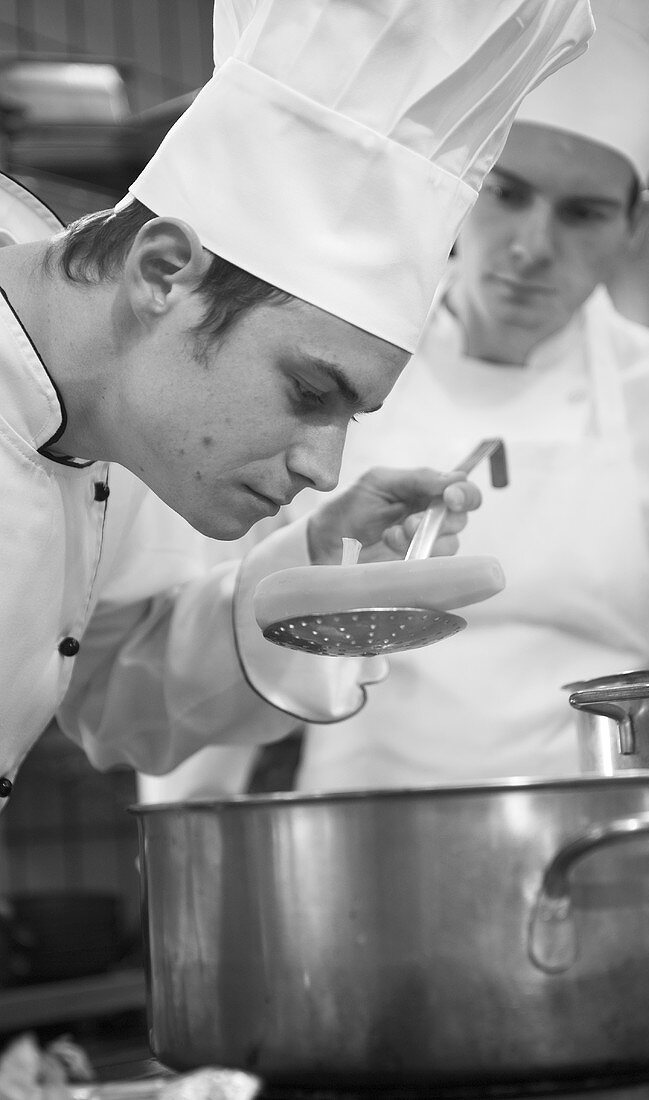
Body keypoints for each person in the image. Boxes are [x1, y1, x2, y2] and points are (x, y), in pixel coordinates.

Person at [0, 0, 594, 802]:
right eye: (311, 391)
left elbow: (113, 686)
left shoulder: (124, 419)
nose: (323, 468)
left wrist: (316, 568)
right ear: (163, 271)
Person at [207, 0, 649, 795]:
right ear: (461, 192)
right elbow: (222, 623)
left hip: (600, 838)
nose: (532, 246)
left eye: (582, 213)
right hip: (359, 831)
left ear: (633, 225)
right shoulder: (325, 370)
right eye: (507, 193)